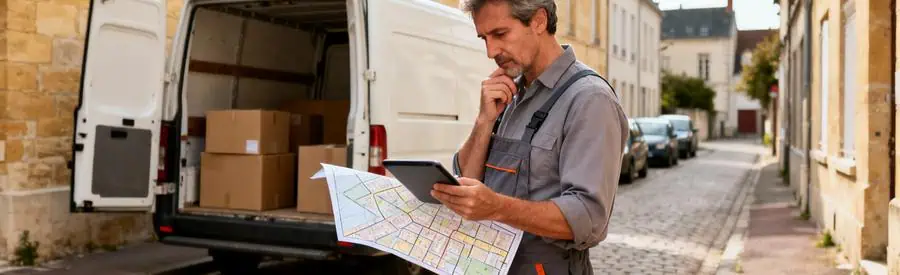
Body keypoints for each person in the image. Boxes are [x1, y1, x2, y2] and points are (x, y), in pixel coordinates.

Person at [428, 0, 629, 274]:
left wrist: (497, 207)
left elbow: (589, 218)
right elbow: (469, 181)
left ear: (539, 21)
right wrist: (484, 120)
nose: (491, 51)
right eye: (483, 38)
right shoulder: (508, 93)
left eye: (499, 34)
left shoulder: (589, 99)